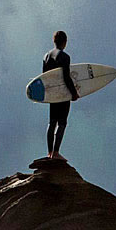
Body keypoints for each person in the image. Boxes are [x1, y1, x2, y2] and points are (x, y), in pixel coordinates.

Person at [43, 31, 78, 160]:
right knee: (62, 122)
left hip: (53, 94)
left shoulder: (46, 56)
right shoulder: (65, 57)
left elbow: (44, 78)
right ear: (65, 42)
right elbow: (66, 78)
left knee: (52, 122)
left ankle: (49, 152)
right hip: (63, 94)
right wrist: (74, 93)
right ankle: (56, 152)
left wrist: (48, 95)